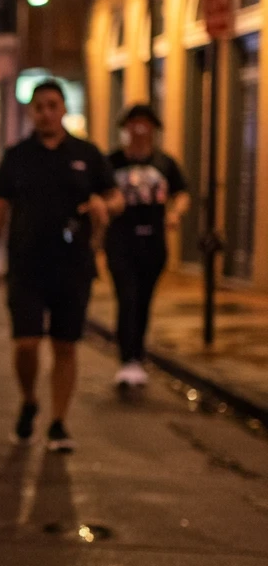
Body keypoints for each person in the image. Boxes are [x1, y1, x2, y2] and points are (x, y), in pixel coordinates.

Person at [0, 79, 123, 451]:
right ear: (31, 112)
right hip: (26, 266)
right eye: (39, 106)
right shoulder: (17, 155)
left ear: (63, 110)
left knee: (65, 345)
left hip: (73, 265)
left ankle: (58, 422)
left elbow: (114, 195)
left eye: (52, 105)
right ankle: (29, 401)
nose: (46, 112)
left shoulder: (87, 154)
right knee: (26, 344)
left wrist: (106, 206)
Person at [106, 104, 189, 386]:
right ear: (126, 127)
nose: (140, 129)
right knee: (126, 297)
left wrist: (175, 213)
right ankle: (127, 357)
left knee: (143, 300)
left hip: (153, 242)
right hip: (120, 241)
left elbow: (181, 193)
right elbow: (98, 193)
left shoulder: (165, 163)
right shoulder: (113, 162)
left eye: (145, 124)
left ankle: (137, 354)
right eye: (134, 123)